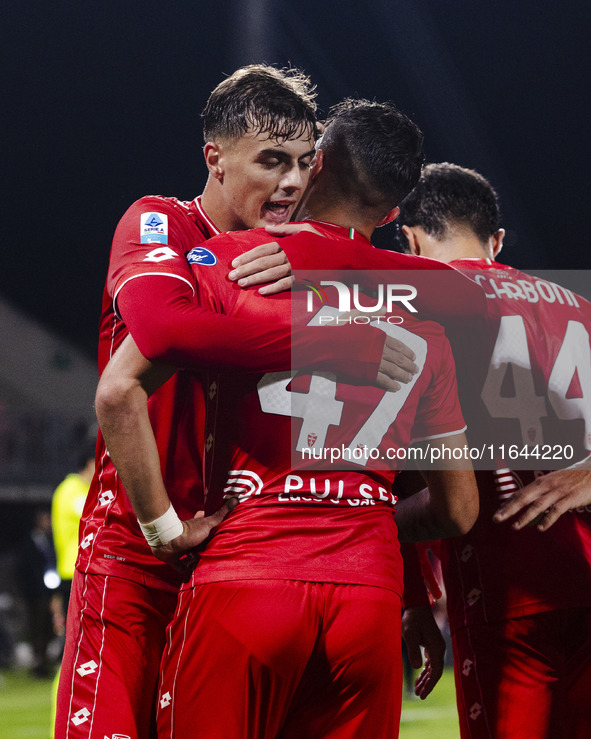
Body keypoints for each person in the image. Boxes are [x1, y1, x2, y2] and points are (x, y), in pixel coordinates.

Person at [97, 99, 479, 738]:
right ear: (390, 215)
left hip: (245, 578)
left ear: (313, 167)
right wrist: (370, 525)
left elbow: (118, 390)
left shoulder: (229, 263)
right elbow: (455, 509)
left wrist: (163, 527)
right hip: (368, 594)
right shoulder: (423, 319)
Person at [397, 162, 591, 738]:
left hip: (500, 593)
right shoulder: (577, 306)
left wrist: (414, 599)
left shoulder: (410, 308)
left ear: (407, 238)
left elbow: (398, 474)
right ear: (497, 241)